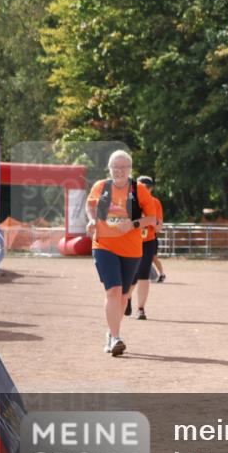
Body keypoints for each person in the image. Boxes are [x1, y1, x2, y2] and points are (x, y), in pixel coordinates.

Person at [85, 150, 158, 356]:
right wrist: (92, 220)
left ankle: (111, 332)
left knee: (124, 295)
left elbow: (151, 219)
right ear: (109, 169)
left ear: (130, 169)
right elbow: (90, 206)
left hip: (132, 248)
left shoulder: (139, 189)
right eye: (115, 167)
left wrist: (133, 224)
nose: (119, 171)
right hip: (104, 245)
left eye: (123, 167)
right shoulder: (101, 187)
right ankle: (116, 337)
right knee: (113, 291)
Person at [130, 176, 163, 319]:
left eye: (147, 187)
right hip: (130, 241)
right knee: (132, 275)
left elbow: (158, 228)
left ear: (151, 188)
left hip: (148, 241)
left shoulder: (155, 203)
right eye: (141, 187)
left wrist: (150, 221)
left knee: (143, 273)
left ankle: (141, 309)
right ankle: (127, 297)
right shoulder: (129, 201)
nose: (145, 189)